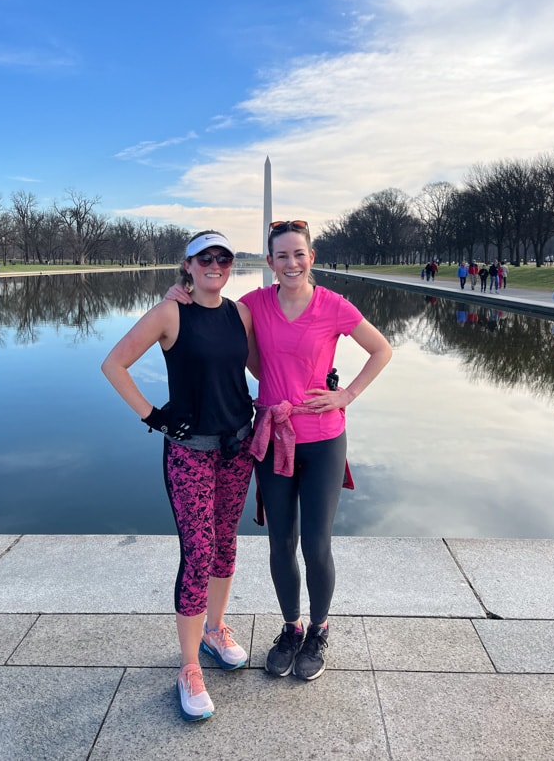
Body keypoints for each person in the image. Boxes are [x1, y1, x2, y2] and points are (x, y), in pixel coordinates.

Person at [166, 219, 392, 682]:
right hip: (271, 436)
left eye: (299, 254)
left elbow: (382, 349)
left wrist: (345, 394)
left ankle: (319, 629)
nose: (291, 263)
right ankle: (291, 627)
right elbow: (218, 323)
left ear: (311, 258)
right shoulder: (253, 305)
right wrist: (177, 294)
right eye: (282, 256)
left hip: (324, 439)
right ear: (269, 263)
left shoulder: (333, 305)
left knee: (316, 543)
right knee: (280, 542)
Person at [101, 230, 257, 723]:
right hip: (190, 452)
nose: (215, 264)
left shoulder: (240, 313)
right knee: (198, 551)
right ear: (187, 265)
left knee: (226, 543)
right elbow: (114, 364)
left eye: (223, 257)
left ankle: (215, 629)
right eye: (204, 258)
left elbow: (257, 365)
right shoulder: (171, 313)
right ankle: (188, 667)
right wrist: (155, 417)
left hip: (236, 445)